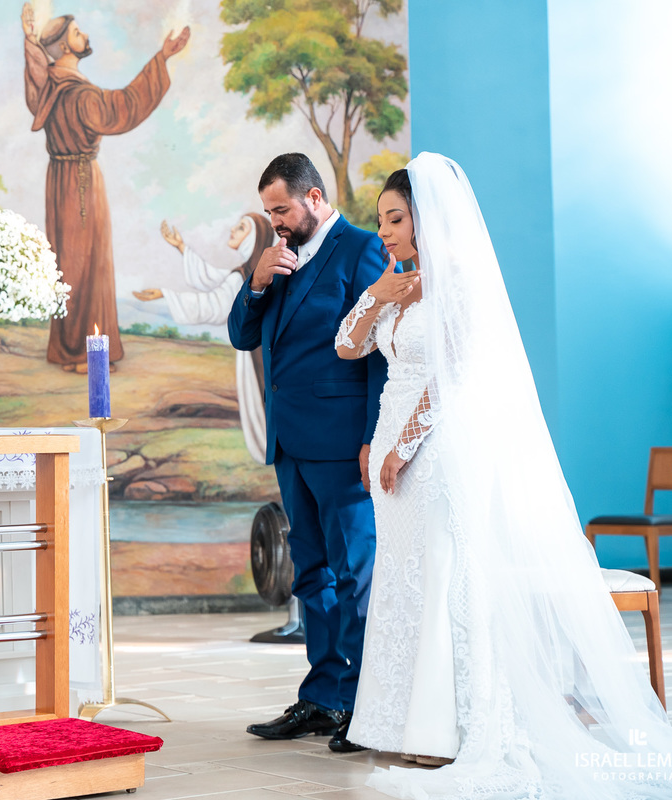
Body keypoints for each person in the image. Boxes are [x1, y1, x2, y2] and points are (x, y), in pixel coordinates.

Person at [335, 153, 672, 798]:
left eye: (396, 219)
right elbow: (349, 346)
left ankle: (452, 730)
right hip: (393, 446)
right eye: (382, 222)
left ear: (427, 220)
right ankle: (401, 724)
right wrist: (376, 294)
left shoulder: (460, 284)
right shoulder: (400, 284)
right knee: (404, 578)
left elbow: (451, 377)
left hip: (435, 450)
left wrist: (401, 446)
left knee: (442, 575)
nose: (386, 233)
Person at [228, 153, 386, 750]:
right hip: (290, 441)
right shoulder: (279, 259)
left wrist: (372, 435)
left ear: (315, 198)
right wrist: (259, 281)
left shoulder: (362, 249)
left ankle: (365, 704)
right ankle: (322, 697)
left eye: (282, 210)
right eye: (269, 213)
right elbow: (243, 335)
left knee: (354, 573)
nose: (276, 223)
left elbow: (377, 353)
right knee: (312, 574)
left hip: (344, 441)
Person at [21, 3, 189, 372]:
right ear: (65, 46)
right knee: (88, 264)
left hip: (59, 181)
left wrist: (30, 40)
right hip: (82, 183)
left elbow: (36, 73)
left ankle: (68, 350)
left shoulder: (50, 87)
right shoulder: (80, 94)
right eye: (78, 33)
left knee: (68, 264)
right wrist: (161, 58)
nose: (86, 37)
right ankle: (85, 353)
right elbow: (124, 107)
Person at [134, 213, 273, 463]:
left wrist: (166, 295)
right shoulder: (248, 273)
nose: (233, 229)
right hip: (264, 350)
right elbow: (214, 277)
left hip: (256, 356)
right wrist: (181, 247)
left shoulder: (244, 277)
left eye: (241, 228)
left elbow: (213, 302)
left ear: (253, 238)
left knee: (263, 407)